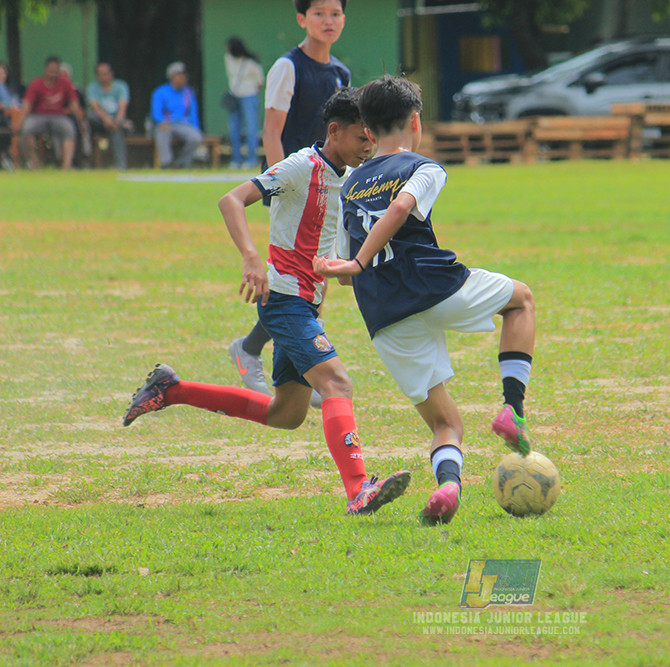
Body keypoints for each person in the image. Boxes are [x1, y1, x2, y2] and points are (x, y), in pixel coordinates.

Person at [122, 89, 408, 515]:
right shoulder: (299, 166)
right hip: (283, 300)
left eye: (372, 138)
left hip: (303, 303)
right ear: (335, 131)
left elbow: (319, 241)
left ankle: (173, 389)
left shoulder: (344, 177)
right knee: (338, 384)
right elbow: (231, 200)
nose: (369, 146)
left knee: (286, 414)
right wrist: (252, 258)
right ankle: (358, 489)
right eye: (362, 138)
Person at [312, 75, 537, 526]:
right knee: (520, 301)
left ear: (369, 132)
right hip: (437, 287)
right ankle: (513, 408)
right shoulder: (424, 167)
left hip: (385, 315)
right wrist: (358, 262)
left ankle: (449, 487)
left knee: (444, 422)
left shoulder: (352, 182)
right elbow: (399, 209)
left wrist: (351, 266)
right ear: (416, 121)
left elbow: (339, 268)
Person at [228, 0, 352, 407]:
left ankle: (282, 358)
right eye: (319, 13)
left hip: (326, 184)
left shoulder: (340, 73)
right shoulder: (288, 66)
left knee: (315, 274)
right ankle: (257, 351)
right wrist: (279, 187)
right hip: (293, 183)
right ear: (302, 19)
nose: (328, 21)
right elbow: (272, 131)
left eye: (335, 13)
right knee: (292, 275)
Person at [19, 55, 87, 170]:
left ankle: (66, 165)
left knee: (69, 130)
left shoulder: (65, 83)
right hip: (38, 116)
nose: (53, 74)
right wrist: (19, 123)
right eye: (51, 71)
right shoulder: (36, 83)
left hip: (58, 116)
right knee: (26, 129)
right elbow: (27, 105)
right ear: (45, 70)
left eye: (56, 71)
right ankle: (34, 163)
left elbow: (74, 103)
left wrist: (81, 122)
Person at [151, 61, 203, 168]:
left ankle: (181, 164)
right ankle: (166, 163)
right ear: (172, 77)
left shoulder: (188, 92)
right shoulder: (161, 92)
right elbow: (156, 112)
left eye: (184, 76)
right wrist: (161, 122)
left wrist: (195, 128)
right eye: (180, 76)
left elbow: (193, 114)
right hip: (166, 124)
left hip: (183, 125)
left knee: (196, 137)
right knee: (162, 131)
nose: (183, 78)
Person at [224, 37, 265, 170]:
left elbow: (260, 81)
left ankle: (251, 159)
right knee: (234, 128)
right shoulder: (228, 58)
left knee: (251, 128)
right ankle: (236, 159)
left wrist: (251, 92)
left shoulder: (251, 63)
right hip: (234, 96)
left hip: (249, 96)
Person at [86, 62, 130, 170]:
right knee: (89, 117)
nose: (103, 77)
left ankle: (120, 166)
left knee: (117, 128)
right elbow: (95, 107)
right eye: (100, 74)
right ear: (96, 76)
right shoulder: (92, 88)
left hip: (116, 121)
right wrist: (107, 120)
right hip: (99, 121)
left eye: (106, 73)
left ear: (111, 74)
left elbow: (122, 107)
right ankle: (87, 163)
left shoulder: (121, 86)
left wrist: (116, 122)